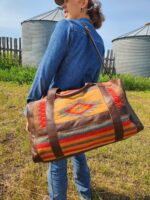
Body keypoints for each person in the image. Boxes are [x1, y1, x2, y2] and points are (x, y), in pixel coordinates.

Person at [26, 0, 105, 199]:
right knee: (79, 151)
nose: (62, 6)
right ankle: (86, 195)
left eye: (66, 1)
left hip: (59, 111)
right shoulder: (100, 41)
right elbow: (92, 83)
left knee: (58, 164)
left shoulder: (66, 27)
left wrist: (31, 108)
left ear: (82, 2)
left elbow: (45, 71)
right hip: (83, 112)